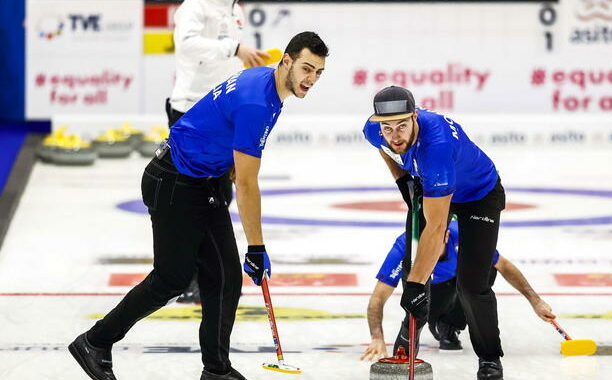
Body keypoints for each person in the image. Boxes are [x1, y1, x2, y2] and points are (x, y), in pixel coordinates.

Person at [68, 32, 328, 380]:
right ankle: (95, 341)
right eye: (306, 69)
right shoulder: (258, 103)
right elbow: (248, 185)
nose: (310, 79)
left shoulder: (266, 82)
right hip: (174, 181)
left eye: (318, 73)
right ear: (286, 61)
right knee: (171, 278)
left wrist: (229, 161)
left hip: (201, 179)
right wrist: (256, 246)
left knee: (224, 277)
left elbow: (222, 125)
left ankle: (216, 370)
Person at [363, 86, 507, 379]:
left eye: (402, 125)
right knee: (412, 273)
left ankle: (490, 359)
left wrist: (416, 283)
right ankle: (405, 353)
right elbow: (384, 147)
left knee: (471, 284)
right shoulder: (374, 131)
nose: (395, 136)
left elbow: (437, 228)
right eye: (387, 128)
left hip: (479, 194)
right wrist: (402, 178)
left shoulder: (436, 147)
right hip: (431, 185)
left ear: (415, 116)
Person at [166, 0, 269, 305]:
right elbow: (186, 45)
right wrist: (234, 49)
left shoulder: (234, 9)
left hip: (222, 114)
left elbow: (227, 63)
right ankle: (189, 278)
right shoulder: (195, 6)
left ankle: (208, 276)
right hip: (191, 111)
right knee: (193, 199)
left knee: (220, 196)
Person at [360, 220, 555, 362]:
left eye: (433, 242)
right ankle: (438, 324)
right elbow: (378, 298)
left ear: (445, 236)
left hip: (461, 278)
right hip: (430, 289)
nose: (428, 249)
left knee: (487, 269)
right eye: (423, 244)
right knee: (422, 311)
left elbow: (503, 265)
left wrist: (535, 301)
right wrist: (377, 338)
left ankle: (451, 326)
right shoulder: (405, 247)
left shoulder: (462, 236)